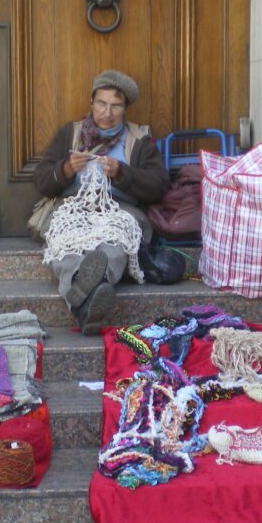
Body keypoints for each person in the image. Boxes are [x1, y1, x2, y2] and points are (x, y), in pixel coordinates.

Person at [32, 70, 169, 334]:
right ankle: (89, 300)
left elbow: (158, 187)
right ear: (92, 103)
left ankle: (84, 297)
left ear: (125, 109)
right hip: (73, 207)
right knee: (67, 243)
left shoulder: (139, 141)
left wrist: (122, 173)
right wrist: (66, 169)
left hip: (119, 209)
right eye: (101, 104)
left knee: (115, 243)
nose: (107, 113)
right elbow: (41, 181)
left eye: (115, 106)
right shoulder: (70, 133)